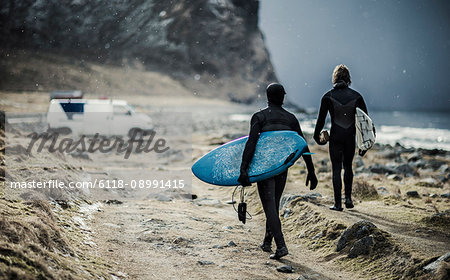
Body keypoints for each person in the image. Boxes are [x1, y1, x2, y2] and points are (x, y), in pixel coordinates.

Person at [238, 83, 318, 259]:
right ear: (283, 97)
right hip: (281, 168)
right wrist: (311, 171)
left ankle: (281, 246)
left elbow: (251, 144)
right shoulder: (290, 119)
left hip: (265, 168)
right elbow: (302, 146)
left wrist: (244, 169)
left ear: (267, 97)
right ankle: (267, 242)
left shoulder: (259, 116)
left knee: (270, 208)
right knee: (273, 206)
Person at [313, 64, 368, 211]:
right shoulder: (357, 96)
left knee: (336, 169)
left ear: (334, 78)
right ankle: (348, 199)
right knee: (348, 166)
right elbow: (366, 124)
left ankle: (338, 204)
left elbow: (320, 122)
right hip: (350, 137)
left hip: (336, 137)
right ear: (348, 79)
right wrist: (365, 146)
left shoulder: (328, 96)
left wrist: (317, 138)